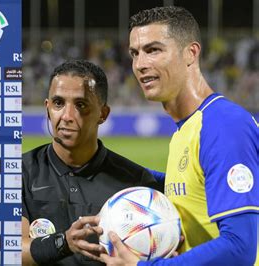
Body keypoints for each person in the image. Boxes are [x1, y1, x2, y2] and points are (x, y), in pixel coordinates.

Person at [98, 6, 258, 266]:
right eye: (134, 53)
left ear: (190, 53)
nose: (140, 64)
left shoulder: (223, 125)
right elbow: (193, 189)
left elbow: (241, 247)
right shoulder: (187, 129)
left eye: (153, 50)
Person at [22, 60, 163, 265]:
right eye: (58, 103)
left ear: (103, 114)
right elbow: (9, 250)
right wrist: (62, 243)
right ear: (47, 108)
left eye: (81, 105)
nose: (67, 116)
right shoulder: (18, 172)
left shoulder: (136, 185)